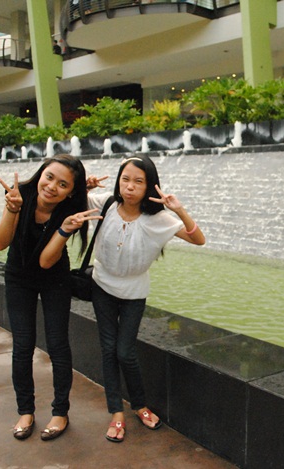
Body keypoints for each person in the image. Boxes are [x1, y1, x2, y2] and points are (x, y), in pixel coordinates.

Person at [87, 156, 205, 443]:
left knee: (125, 352)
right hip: (101, 286)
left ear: (149, 186)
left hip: (134, 293)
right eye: (125, 179)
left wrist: (179, 210)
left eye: (138, 182)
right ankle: (116, 412)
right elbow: (67, 201)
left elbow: (198, 239)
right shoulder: (104, 204)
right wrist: (84, 186)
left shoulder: (159, 219)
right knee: (108, 349)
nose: (130, 187)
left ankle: (139, 405)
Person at [0, 154, 100, 442]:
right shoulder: (20, 196)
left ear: (71, 192)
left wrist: (64, 229)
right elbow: (0, 243)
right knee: (23, 345)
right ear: (41, 173)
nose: (52, 187)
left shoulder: (70, 211)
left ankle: (60, 412)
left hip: (54, 277)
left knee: (58, 345)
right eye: (49, 177)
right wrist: (12, 210)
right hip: (18, 277)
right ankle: (25, 412)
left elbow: (45, 261)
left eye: (63, 184)